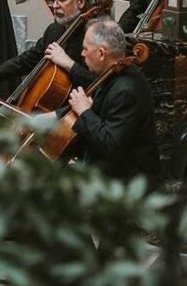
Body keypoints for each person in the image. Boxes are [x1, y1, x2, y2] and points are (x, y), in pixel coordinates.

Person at [60, 18, 160, 183]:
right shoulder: (112, 73)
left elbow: (110, 145)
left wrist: (84, 112)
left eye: (85, 49)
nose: (82, 54)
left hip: (127, 182)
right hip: (109, 170)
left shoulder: (126, 90)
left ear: (101, 53)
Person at [0, 0, 96, 94]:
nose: (55, 5)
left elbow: (99, 84)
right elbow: (29, 59)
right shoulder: (54, 30)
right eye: (53, 0)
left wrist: (69, 64)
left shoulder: (93, 37)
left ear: (81, 2)